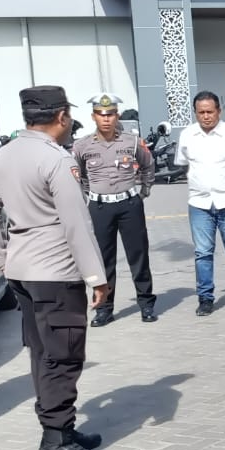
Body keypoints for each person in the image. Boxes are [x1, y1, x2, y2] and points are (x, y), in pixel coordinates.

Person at [0, 85, 114, 450]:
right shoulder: (56, 159)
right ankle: (56, 445)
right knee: (63, 357)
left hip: (22, 272)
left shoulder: (5, 154)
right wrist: (96, 277)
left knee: (42, 354)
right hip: (56, 273)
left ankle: (60, 433)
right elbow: (75, 222)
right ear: (62, 117)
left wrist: (0, 257)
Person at [72, 92, 157, 326]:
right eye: (101, 114)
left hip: (129, 205)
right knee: (103, 260)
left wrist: (144, 191)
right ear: (93, 116)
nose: (106, 119)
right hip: (100, 208)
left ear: (117, 115)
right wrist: (88, 195)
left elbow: (148, 165)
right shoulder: (82, 146)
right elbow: (78, 175)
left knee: (138, 256)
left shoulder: (131, 141)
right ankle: (104, 308)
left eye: (110, 114)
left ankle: (146, 304)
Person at [175, 91, 225, 316]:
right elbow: (183, 163)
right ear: (195, 113)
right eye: (201, 112)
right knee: (202, 253)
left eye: (210, 112)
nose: (206, 116)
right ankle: (205, 299)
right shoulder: (187, 135)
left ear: (219, 111)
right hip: (199, 204)